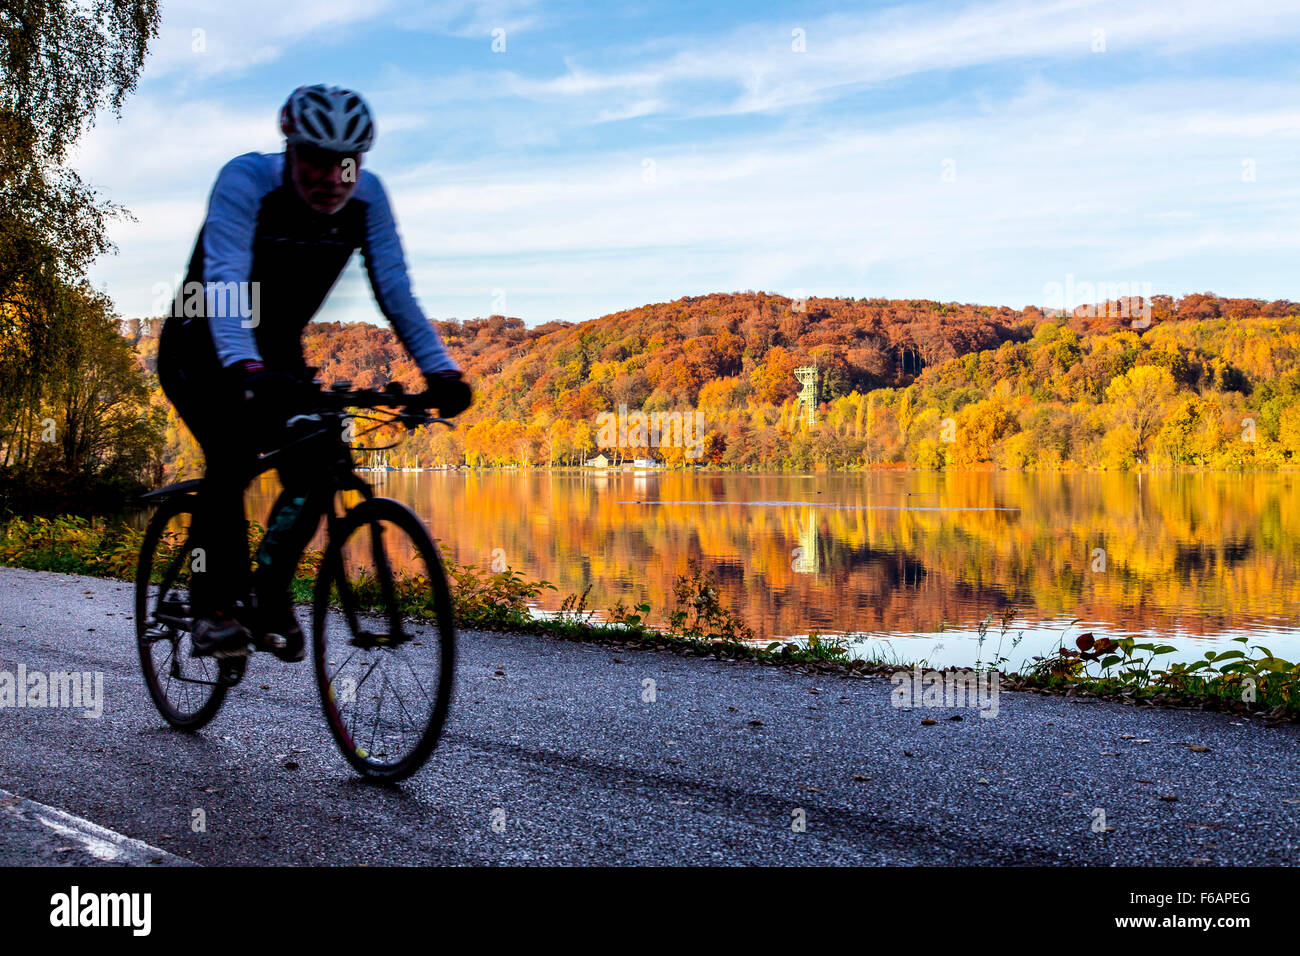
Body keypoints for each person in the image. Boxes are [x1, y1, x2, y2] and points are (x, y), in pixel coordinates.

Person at [157, 84, 471, 661]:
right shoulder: (246, 181)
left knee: (317, 454)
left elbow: (396, 292)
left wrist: (441, 371)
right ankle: (214, 607)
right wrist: (245, 367)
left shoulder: (368, 200)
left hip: (275, 351)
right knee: (230, 456)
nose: (332, 177)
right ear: (290, 150)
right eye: (317, 161)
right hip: (201, 344)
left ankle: (269, 592)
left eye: (346, 164)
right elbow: (225, 279)